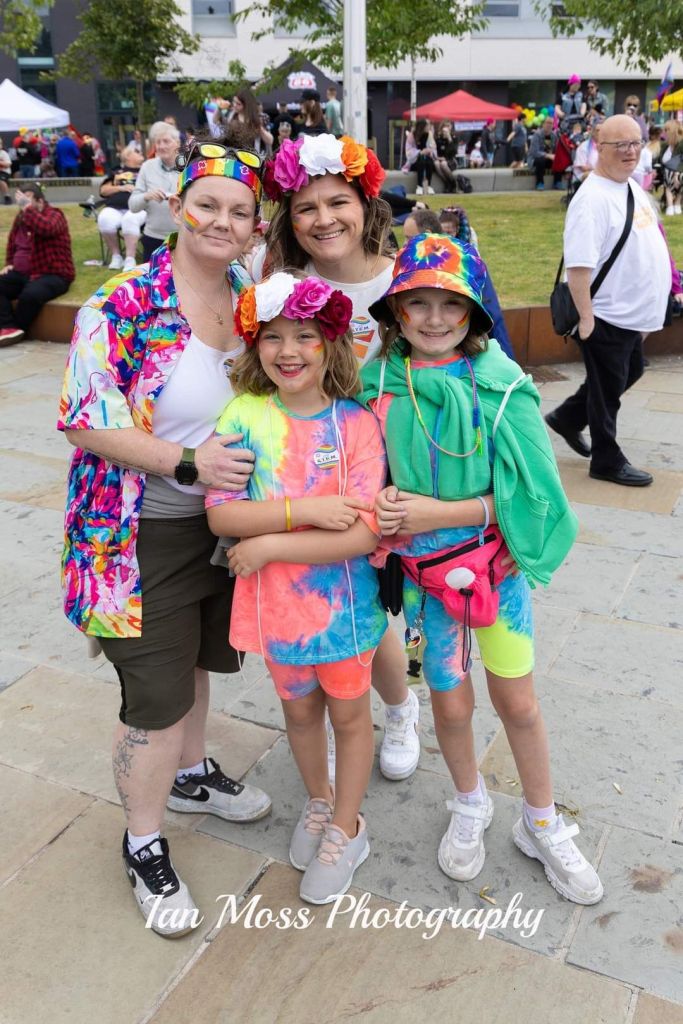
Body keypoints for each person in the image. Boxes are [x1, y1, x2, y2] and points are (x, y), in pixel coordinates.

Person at [57, 136, 272, 938]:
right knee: (153, 697)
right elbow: (84, 421)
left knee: (198, 662)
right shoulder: (120, 304)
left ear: (255, 225)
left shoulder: (250, 295)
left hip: (223, 528)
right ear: (176, 207)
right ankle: (142, 841)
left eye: (239, 211)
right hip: (136, 532)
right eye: (207, 204)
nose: (221, 222)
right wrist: (189, 462)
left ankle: (191, 773)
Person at [358, 233, 604, 906]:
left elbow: (534, 496)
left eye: (451, 304)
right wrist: (379, 502)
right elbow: (359, 477)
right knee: (448, 699)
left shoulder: (503, 387)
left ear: (474, 313)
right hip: (422, 586)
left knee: (518, 702)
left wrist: (439, 512)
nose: (434, 318)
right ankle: (469, 801)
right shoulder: (376, 388)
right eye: (418, 303)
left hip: (497, 578)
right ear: (396, 311)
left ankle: (540, 821)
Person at [207, 272, 386, 902]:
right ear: (253, 344)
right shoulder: (243, 415)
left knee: (350, 716)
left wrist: (268, 545)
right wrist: (305, 510)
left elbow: (363, 533)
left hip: (344, 612)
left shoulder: (356, 424)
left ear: (330, 342)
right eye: (273, 336)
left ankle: (348, 827)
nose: (288, 351)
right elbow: (222, 516)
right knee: (300, 714)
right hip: (275, 611)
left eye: (305, 336)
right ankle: (319, 800)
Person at [258, 133, 421, 780]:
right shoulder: (283, 288)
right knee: (329, 597)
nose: (323, 219)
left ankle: (400, 708)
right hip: (315, 471)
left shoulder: (407, 277)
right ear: (290, 218)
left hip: (398, 467)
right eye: (306, 208)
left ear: (366, 203)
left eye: (337, 202)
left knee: (379, 602)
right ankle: (329, 721)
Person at [545, 115, 670, 487]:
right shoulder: (592, 199)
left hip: (629, 315)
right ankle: (606, 460)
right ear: (600, 147)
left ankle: (567, 417)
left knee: (629, 372)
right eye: (621, 145)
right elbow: (579, 266)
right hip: (605, 315)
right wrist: (587, 318)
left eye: (636, 143)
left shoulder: (628, 185)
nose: (631, 151)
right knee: (607, 391)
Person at [0, 183, 74, 345]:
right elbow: (13, 243)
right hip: (23, 273)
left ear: (40, 201)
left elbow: (47, 228)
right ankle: (7, 326)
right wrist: (9, 263)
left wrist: (28, 209)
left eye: (27, 199)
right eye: (21, 199)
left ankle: (17, 329)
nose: (23, 203)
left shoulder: (55, 215)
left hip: (53, 274)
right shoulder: (21, 217)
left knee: (30, 295)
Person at [437, 206, 515, 360]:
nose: (447, 236)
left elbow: (475, 264)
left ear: (457, 230)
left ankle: (508, 361)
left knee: (493, 321)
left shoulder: (468, 240)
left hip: (475, 280)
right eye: (443, 232)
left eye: (450, 232)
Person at [128, 120, 180, 262]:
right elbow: (133, 206)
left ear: (177, 143)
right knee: (153, 276)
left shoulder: (188, 166)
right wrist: (146, 196)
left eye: (166, 141)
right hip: (153, 238)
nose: (161, 146)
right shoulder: (147, 167)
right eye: (158, 142)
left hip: (183, 237)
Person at [97, 144, 147, 271]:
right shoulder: (117, 172)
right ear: (128, 156)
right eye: (136, 151)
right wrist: (121, 188)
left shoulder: (147, 170)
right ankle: (116, 256)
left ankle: (130, 259)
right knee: (104, 218)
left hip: (139, 207)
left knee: (129, 219)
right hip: (115, 207)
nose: (140, 152)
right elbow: (103, 191)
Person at [227, 87, 274, 157]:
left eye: (238, 104)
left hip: (253, 157)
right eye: (234, 102)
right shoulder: (232, 115)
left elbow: (270, 141)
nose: (234, 105)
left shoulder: (259, 118)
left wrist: (259, 128)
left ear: (246, 105)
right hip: (235, 156)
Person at [527, 117, 561, 190]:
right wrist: (548, 155)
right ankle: (540, 183)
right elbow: (534, 152)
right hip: (536, 160)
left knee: (558, 159)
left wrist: (556, 156)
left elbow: (556, 150)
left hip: (548, 160)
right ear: (543, 124)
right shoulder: (537, 135)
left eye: (551, 123)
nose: (549, 125)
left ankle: (557, 182)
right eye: (547, 123)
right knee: (540, 160)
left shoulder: (554, 136)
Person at [661, 119, 683, 216]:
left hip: (679, 171)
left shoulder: (681, 144)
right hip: (666, 171)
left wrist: (676, 174)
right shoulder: (665, 145)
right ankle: (671, 206)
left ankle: (675, 204)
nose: (664, 132)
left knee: (676, 177)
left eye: (666, 130)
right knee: (668, 176)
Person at [433, 121, 458, 192]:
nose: (447, 128)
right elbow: (435, 151)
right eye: (445, 126)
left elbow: (454, 152)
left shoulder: (454, 138)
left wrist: (449, 139)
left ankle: (453, 183)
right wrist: (438, 157)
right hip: (439, 159)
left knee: (443, 164)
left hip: (451, 160)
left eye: (448, 126)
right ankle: (447, 183)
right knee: (436, 164)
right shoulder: (438, 139)